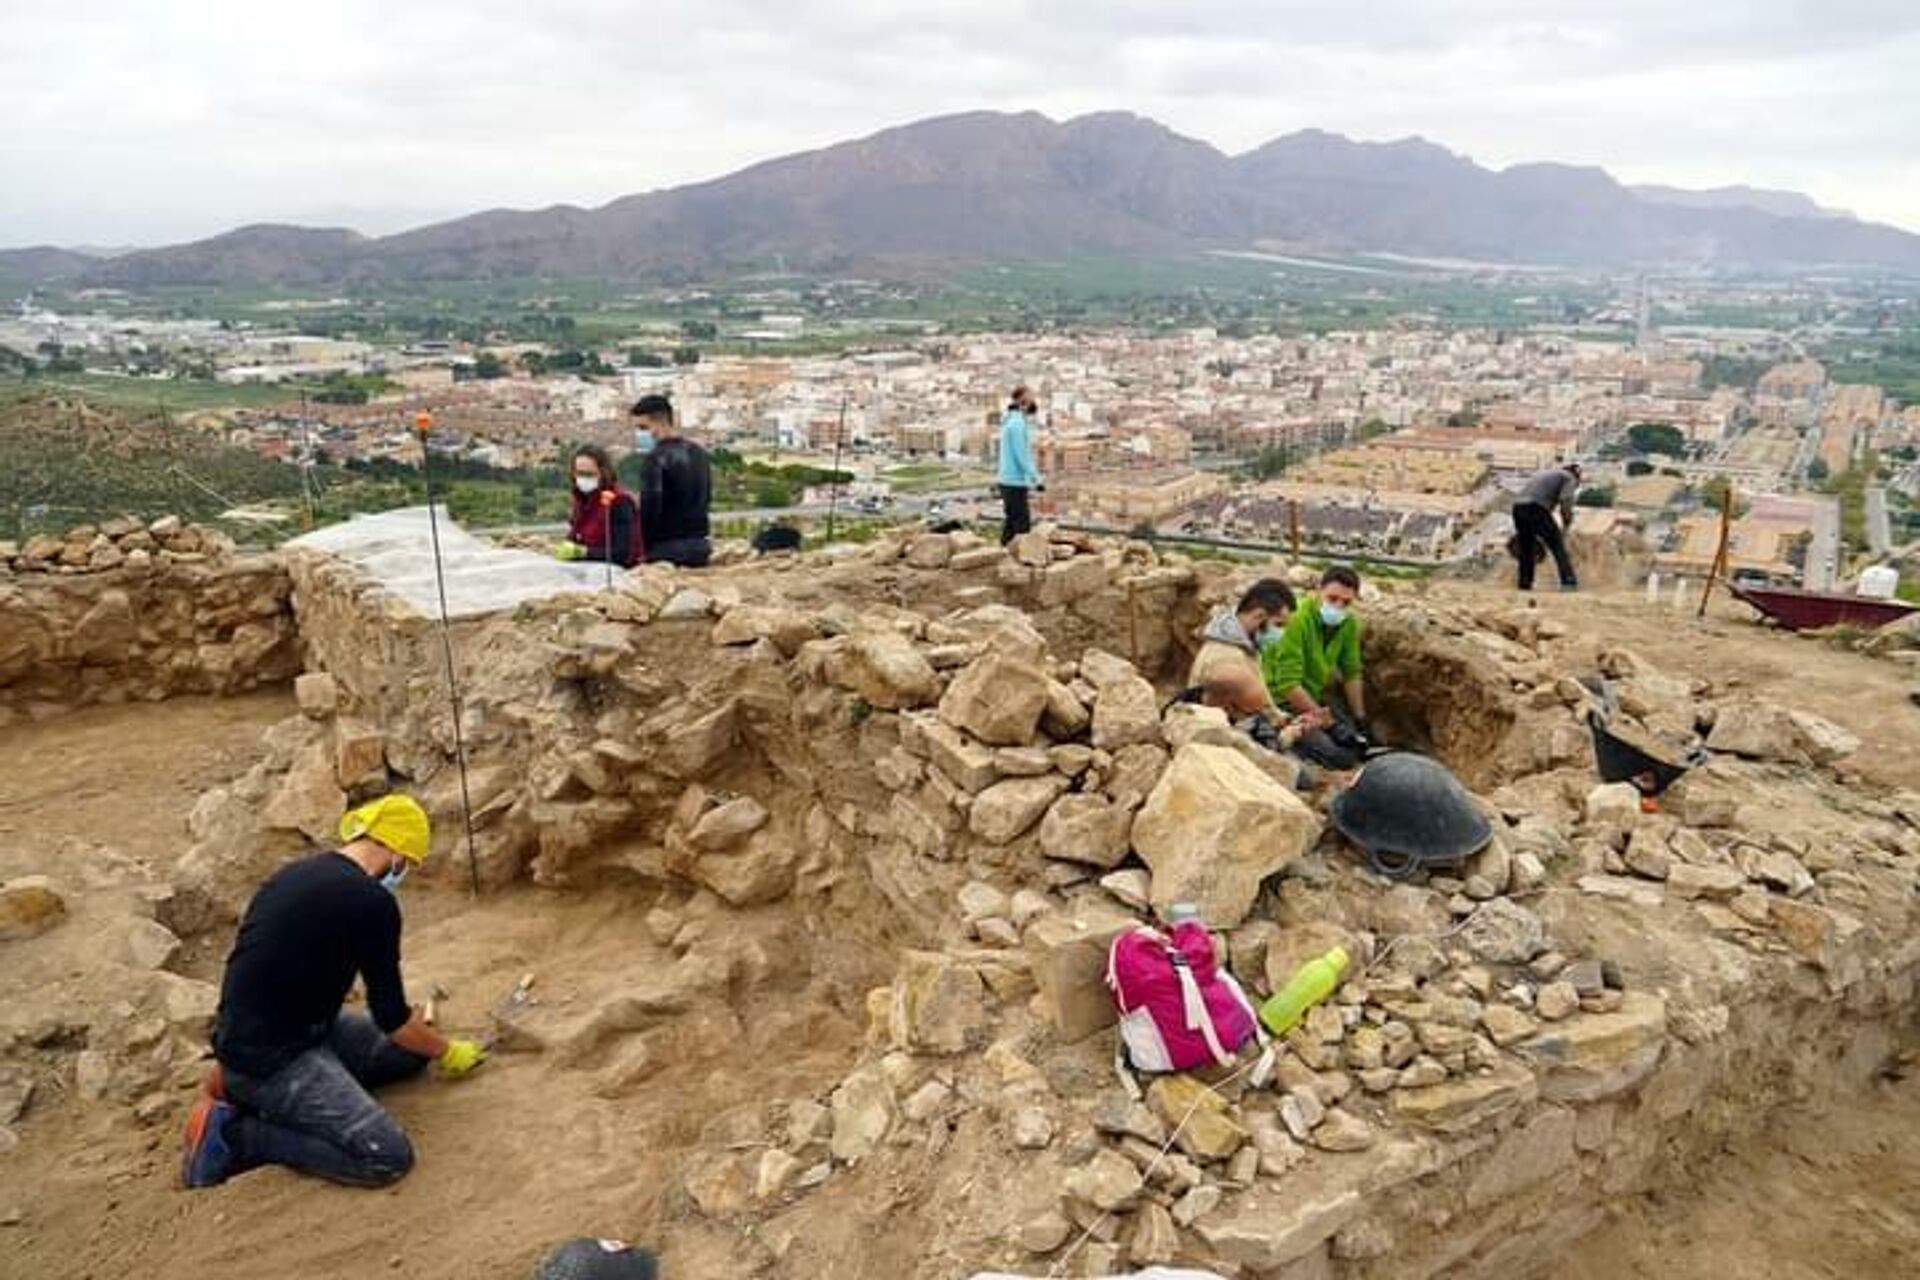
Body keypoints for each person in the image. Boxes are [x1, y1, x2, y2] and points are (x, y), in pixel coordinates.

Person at [180, 795, 487, 1190]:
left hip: (279, 1032)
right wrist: (447, 1050)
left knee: (411, 1053)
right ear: (394, 851)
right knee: (385, 1156)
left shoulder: (298, 874)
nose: (404, 872)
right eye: (408, 862)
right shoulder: (372, 903)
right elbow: (390, 1017)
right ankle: (237, 1137)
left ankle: (247, 1083)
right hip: (275, 1059)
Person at [1263, 565, 1374, 770]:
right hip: (1280, 701)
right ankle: (1277, 740)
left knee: (1357, 742)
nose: (1338, 607)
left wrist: (1360, 719)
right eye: (1332, 599)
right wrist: (1329, 724)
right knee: (1340, 757)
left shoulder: (1348, 623)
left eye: (1346, 602)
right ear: (1317, 591)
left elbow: (1351, 672)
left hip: (1311, 695)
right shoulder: (1295, 619)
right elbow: (1288, 685)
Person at [632, 394, 712, 567]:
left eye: (642, 427)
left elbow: (650, 509)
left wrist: (641, 548)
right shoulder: (698, 453)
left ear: (659, 423)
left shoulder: (655, 459)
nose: (639, 434)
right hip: (700, 547)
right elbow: (706, 497)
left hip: (666, 549)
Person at [1188, 578, 1297, 690]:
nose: (1281, 633)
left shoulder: (1235, 644)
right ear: (1259, 616)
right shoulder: (1231, 658)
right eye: (1278, 624)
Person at [554, 444, 642, 568]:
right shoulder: (581, 502)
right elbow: (574, 538)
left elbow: (623, 553)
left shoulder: (620, 501)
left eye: (589, 474)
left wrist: (583, 552)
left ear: (603, 473)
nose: (583, 478)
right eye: (579, 473)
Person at [1512, 461, 1582, 592]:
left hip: (1517, 507)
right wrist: (1567, 520)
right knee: (1557, 545)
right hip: (1536, 508)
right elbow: (1565, 500)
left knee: (1527, 548)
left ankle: (1524, 583)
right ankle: (1569, 582)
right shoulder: (1569, 478)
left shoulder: (1548, 474)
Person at [997, 385, 1044, 545]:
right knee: (1022, 527)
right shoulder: (1017, 424)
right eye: (1031, 398)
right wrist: (1037, 479)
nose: (1033, 401)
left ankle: (1001, 556)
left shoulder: (1009, 420)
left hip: (1006, 480)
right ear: (1023, 400)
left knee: (1011, 525)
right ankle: (1020, 566)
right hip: (1014, 482)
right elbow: (1022, 456)